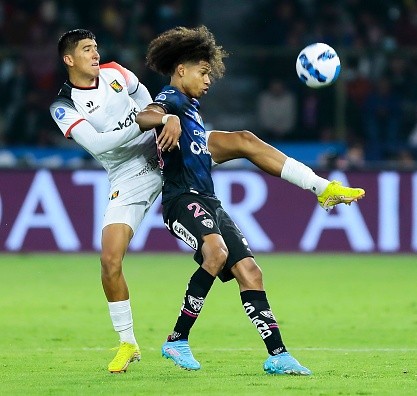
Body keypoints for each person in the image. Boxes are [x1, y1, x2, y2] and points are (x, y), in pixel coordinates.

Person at [135, 25, 365, 375]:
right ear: (181, 70)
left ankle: (278, 355)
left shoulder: (193, 111)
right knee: (216, 251)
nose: (208, 79)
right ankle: (177, 339)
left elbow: (234, 144)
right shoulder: (173, 100)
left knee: (251, 271)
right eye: (203, 71)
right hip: (180, 201)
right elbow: (144, 115)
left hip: (208, 202)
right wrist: (165, 117)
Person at [49, 29, 180, 373]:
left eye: (96, 48)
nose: (95, 54)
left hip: (165, 151)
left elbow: (147, 98)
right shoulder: (63, 105)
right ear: (69, 59)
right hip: (127, 176)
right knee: (109, 260)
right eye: (86, 50)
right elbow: (100, 145)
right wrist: (145, 122)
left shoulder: (117, 72)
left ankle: (319, 187)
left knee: (237, 143)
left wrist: (158, 121)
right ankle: (128, 343)